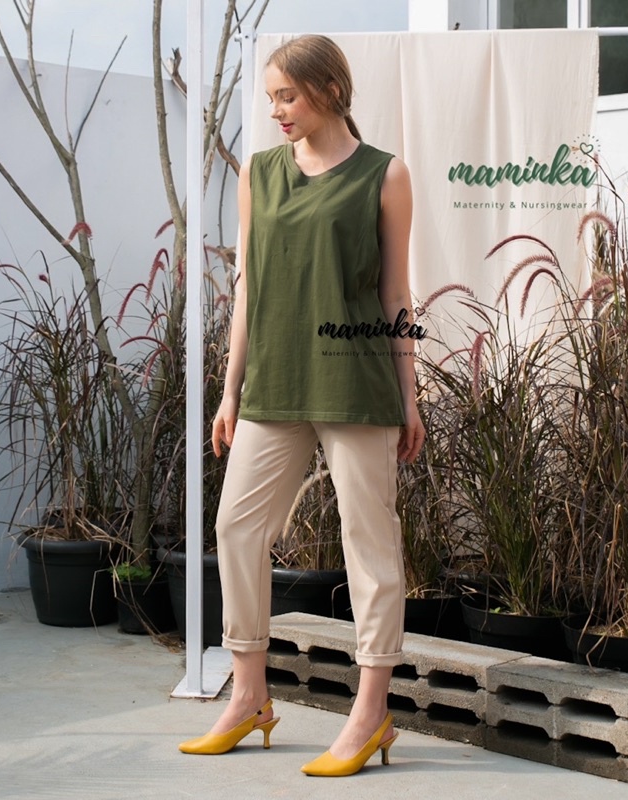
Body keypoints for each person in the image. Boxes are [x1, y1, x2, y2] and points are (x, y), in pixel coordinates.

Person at [178, 33, 425, 777]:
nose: (276, 110)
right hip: (276, 382)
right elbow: (248, 285)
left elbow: (395, 293)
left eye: (287, 95)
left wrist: (410, 398)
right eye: (271, 97)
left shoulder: (385, 175)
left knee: (368, 543)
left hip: (354, 383)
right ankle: (249, 695)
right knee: (236, 525)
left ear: (330, 90)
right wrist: (230, 390)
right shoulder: (259, 174)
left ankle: (370, 713)